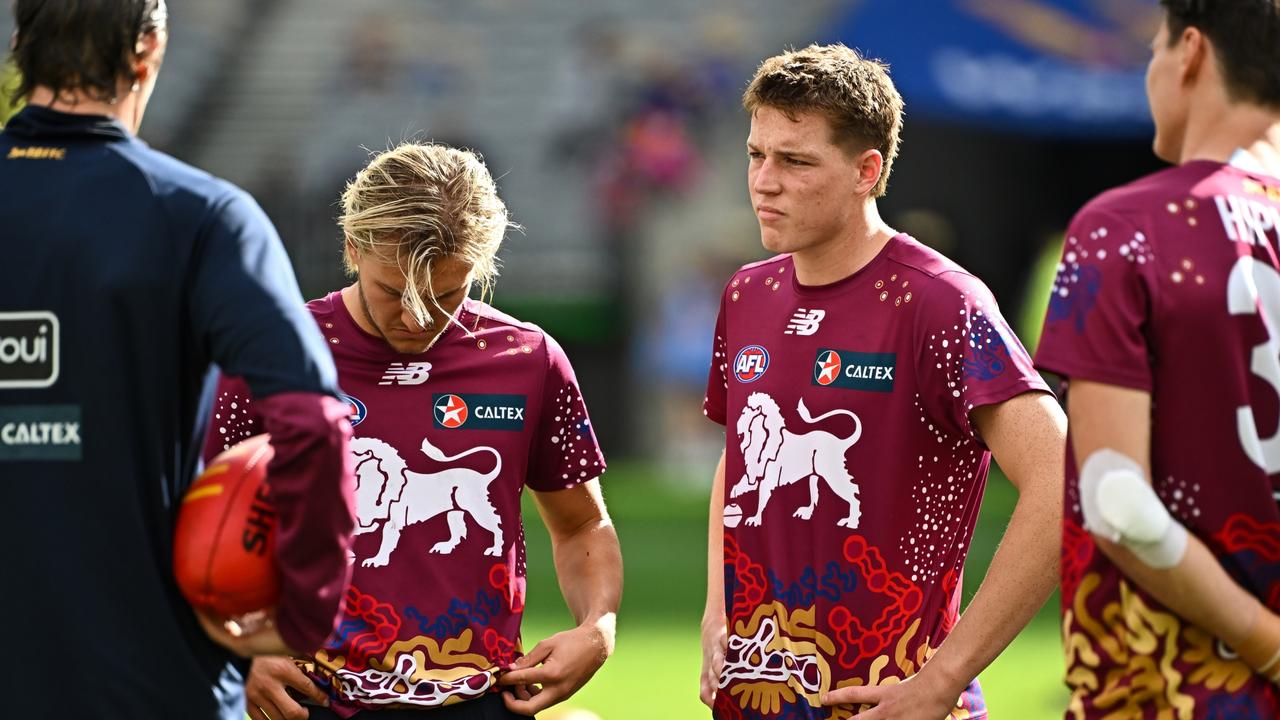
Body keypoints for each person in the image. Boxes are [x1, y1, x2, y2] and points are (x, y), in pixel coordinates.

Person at [0, 1, 357, 718]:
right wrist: (305, 611)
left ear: (20, 44)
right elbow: (313, 421)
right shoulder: (203, 216)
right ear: (149, 50)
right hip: (150, 683)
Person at [699, 44, 1066, 720]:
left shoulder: (939, 302)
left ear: (868, 170)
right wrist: (717, 607)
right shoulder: (746, 294)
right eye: (757, 154)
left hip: (894, 700)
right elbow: (744, 458)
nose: (764, 181)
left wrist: (945, 675)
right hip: (756, 692)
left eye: (796, 161)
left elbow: (1061, 479)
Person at [207, 142, 623, 720]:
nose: (418, 318)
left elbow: (582, 522)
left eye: (446, 294)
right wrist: (234, 654)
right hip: (310, 701)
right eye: (393, 292)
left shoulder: (527, 359)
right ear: (352, 248)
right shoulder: (269, 354)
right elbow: (195, 528)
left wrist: (597, 627)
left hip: (477, 701)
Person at [1035, 1, 1280, 717]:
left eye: (1153, 49)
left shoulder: (1123, 228)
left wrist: (1265, 644)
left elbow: (1119, 502)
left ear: (1192, 53)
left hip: (1167, 694)